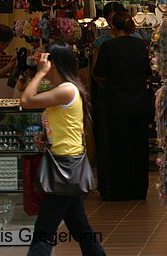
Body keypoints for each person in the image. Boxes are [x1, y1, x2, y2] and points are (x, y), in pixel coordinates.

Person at [19, 43, 105, 256]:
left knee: (44, 230)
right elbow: (64, 125)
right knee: (80, 227)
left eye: (43, 59)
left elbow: (26, 100)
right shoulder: (62, 90)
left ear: (52, 63)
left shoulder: (67, 90)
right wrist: (46, 137)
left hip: (65, 166)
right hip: (64, 164)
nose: (38, 62)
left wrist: (39, 74)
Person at [93, 11, 152, 201]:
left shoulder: (108, 47)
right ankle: (139, 189)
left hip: (116, 104)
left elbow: (98, 75)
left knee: (118, 147)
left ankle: (119, 190)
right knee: (139, 147)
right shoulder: (140, 45)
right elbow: (148, 73)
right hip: (140, 103)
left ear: (113, 27)